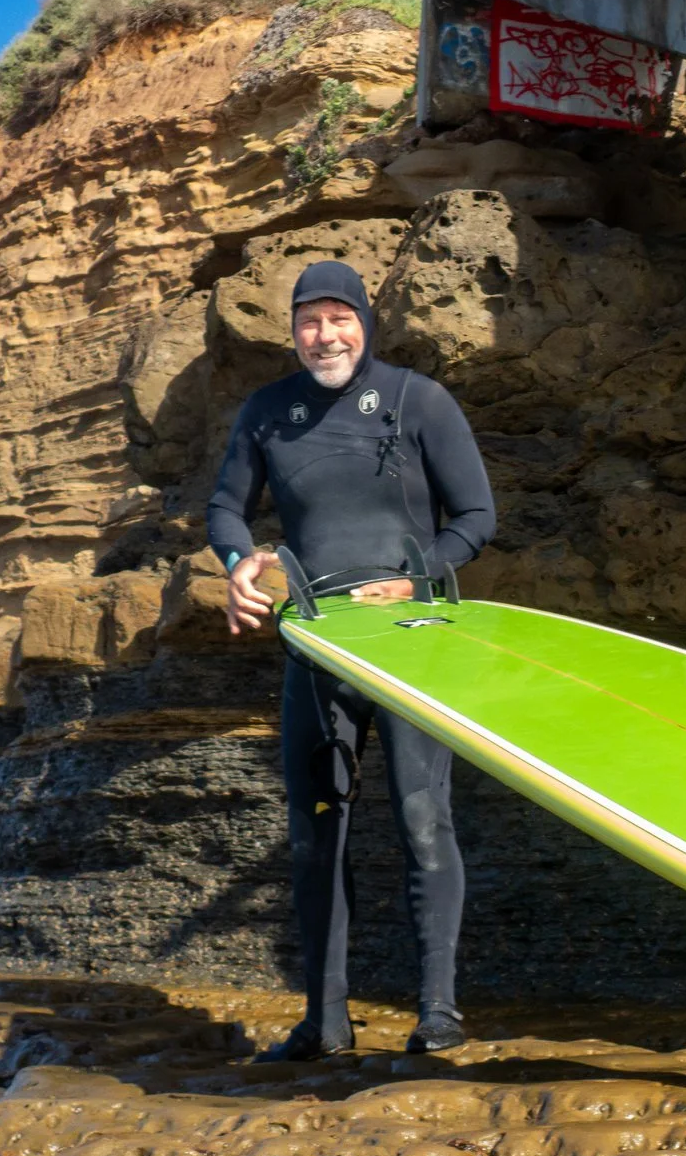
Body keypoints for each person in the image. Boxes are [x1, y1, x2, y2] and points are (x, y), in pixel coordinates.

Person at [207, 260, 498, 1061]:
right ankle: (325, 1021)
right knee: (315, 832)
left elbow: (477, 514)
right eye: (308, 320)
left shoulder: (415, 399)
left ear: (364, 321)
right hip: (318, 642)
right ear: (292, 329)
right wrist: (237, 562)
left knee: (421, 818)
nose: (323, 334)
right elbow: (227, 505)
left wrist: (418, 576)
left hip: (410, 638)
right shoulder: (269, 412)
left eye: (338, 318)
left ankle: (437, 1012)